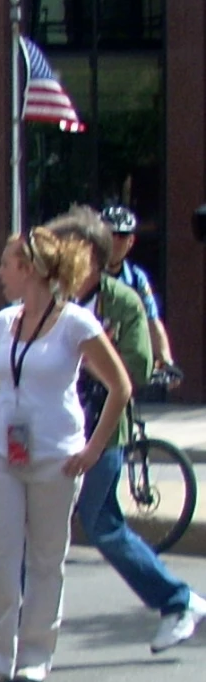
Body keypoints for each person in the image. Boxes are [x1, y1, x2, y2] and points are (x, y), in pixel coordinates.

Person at [0, 226, 131, 682]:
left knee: (47, 557)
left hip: (57, 454)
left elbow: (120, 387)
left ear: (29, 269)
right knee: (0, 553)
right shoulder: (3, 322)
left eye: (6, 264)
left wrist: (93, 450)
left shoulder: (77, 324)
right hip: (1, 453)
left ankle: (35, 652)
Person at [48, 207, 206, 653]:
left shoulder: (122, 300)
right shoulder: (50, 297)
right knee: (40, 527)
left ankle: (177, 600)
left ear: (89, 258)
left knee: (101, 524)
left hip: (100, 430)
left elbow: (134, 367)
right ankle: (19, 629)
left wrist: (92, 351)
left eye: (65, 253)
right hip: (51, 428)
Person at [100, 205, 174, 376]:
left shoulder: (136, 278)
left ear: (131, 241)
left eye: (123, 235)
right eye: (111, 234)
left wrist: (165, 360)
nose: (116, 241)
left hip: (121, 365)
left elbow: (152, 321)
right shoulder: (86, 273)